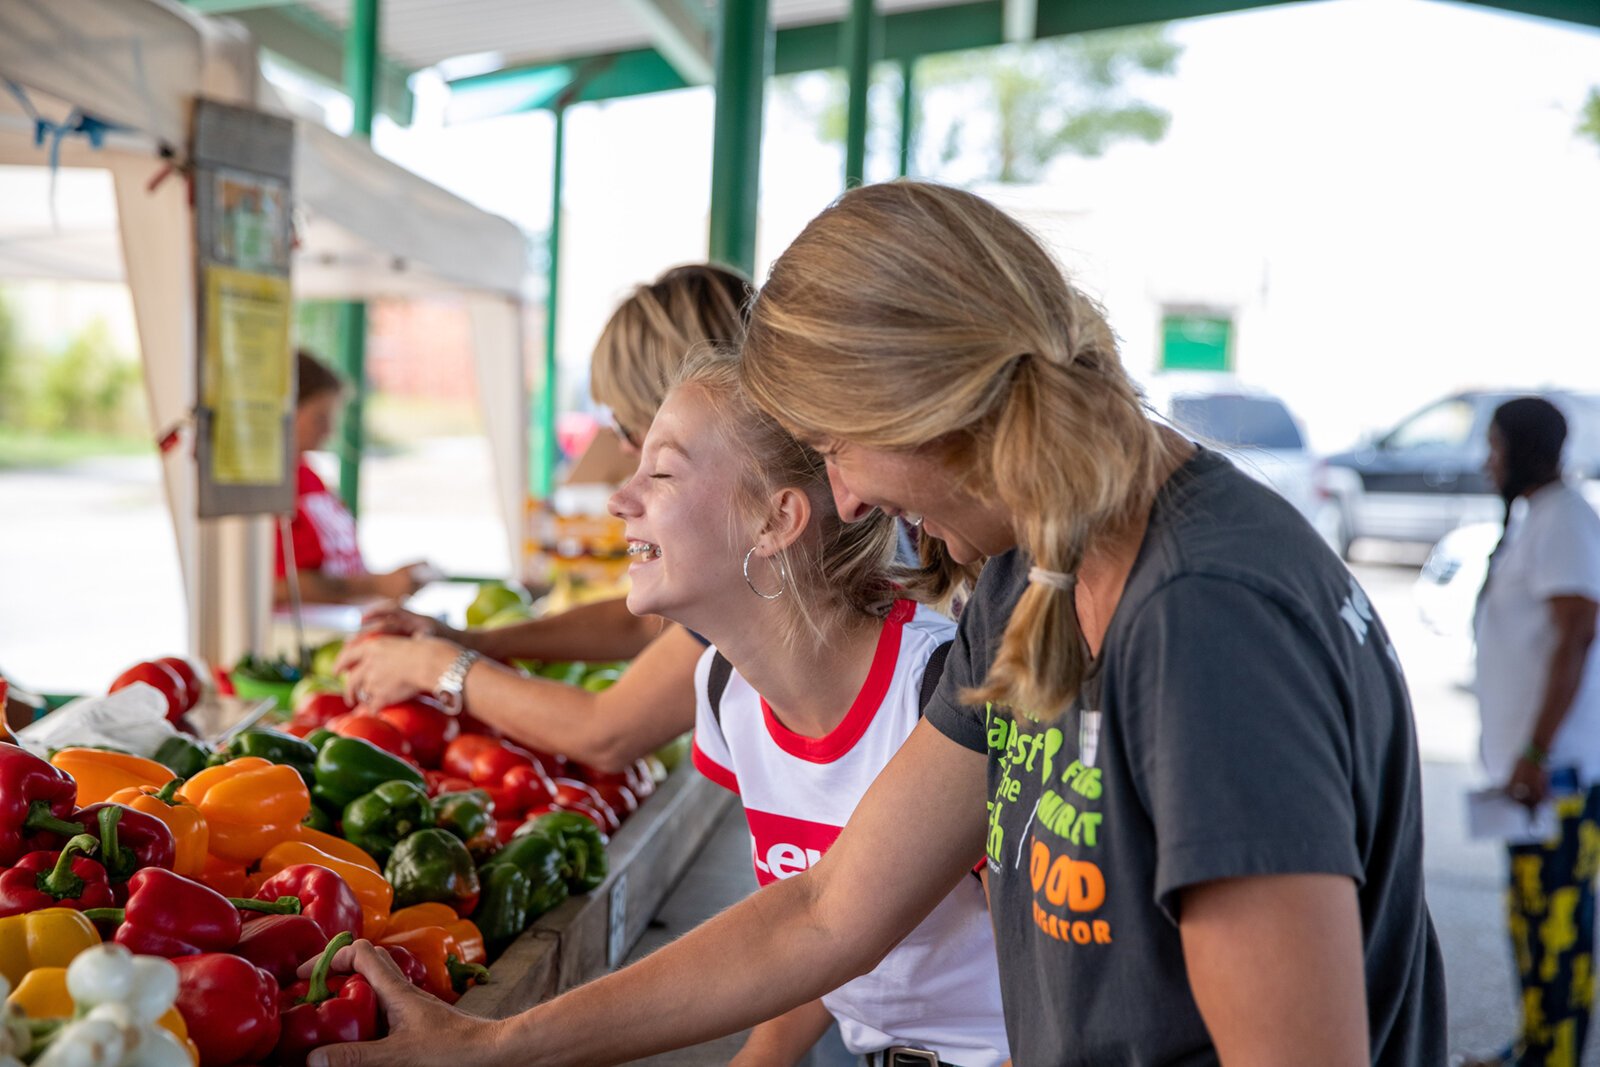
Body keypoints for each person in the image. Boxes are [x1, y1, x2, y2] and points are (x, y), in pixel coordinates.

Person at [306, 182, 1445, 1067]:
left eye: (840, 444)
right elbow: (828, 908)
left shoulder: (1203, 617)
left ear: (927, 404)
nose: (845, 500)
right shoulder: (1033, 567)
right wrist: (497, 1042)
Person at [339, 265, 749, 770]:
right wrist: (473, 642)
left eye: (627, 423)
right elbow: (648, 628)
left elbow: (606, 733)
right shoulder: (750, 530)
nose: (622, 448)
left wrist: (436, 665)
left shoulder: (752, 545)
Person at [1459, 397, 1600, 1067]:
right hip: (1529, 776)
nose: (1489, 462)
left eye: (1496, 446)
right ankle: (1537, 1046)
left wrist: (1536, 749)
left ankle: (1557, 1054)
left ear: (1524, 448)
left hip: (1558, 773)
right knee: (1532, 922)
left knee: (1561, 928)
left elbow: (1576, 632)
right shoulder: (1536, 518)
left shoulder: (1564, 520)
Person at [276, 350, 436, 604]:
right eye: (319, 417)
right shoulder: (264, 489)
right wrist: (375, 585)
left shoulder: (309, 477)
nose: (329, 429)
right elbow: (274, 586)